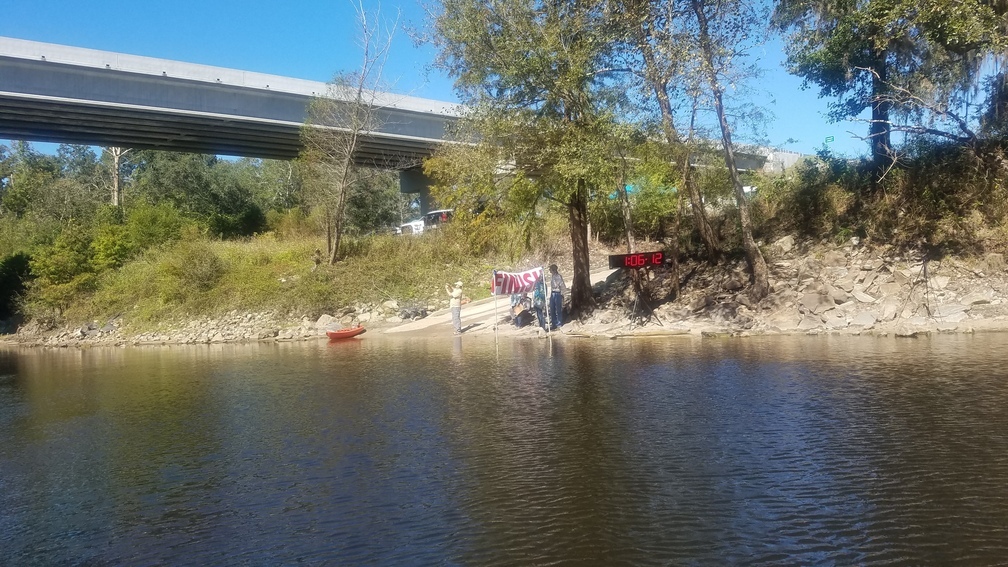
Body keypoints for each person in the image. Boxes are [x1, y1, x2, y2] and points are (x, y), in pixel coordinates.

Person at [548, 264, 566, 330]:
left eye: (550, 269)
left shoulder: (558, 276)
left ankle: (559, 323)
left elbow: (562, 285)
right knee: (552, 309)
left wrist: (562, 294)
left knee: (558, 309)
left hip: (557, 293)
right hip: (552, 293)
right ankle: (554, 323)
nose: (549, 271)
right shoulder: (552, 277)